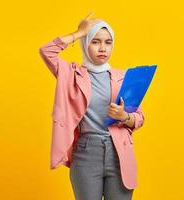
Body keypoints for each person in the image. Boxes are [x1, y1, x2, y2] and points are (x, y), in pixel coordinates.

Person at [39, 12, 145, 200]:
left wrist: (124, 117)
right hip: (87, 153)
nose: (102, 48)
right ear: (85, 43)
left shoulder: (123, 77)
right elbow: (46, 51)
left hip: (120, 154)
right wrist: (78, 33)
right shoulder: (71, 75)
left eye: (108, 42)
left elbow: (139, 118)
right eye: (95, 41)